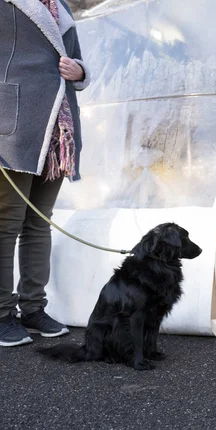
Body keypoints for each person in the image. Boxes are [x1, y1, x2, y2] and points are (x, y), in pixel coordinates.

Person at [0, 0, 90, 347]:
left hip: (57, 129)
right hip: (13, 124)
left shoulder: (62, 8)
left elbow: (77, 59)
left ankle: (33, 308)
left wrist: (80, 72)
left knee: (39, 223)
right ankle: (2, 313)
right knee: (6, 223)